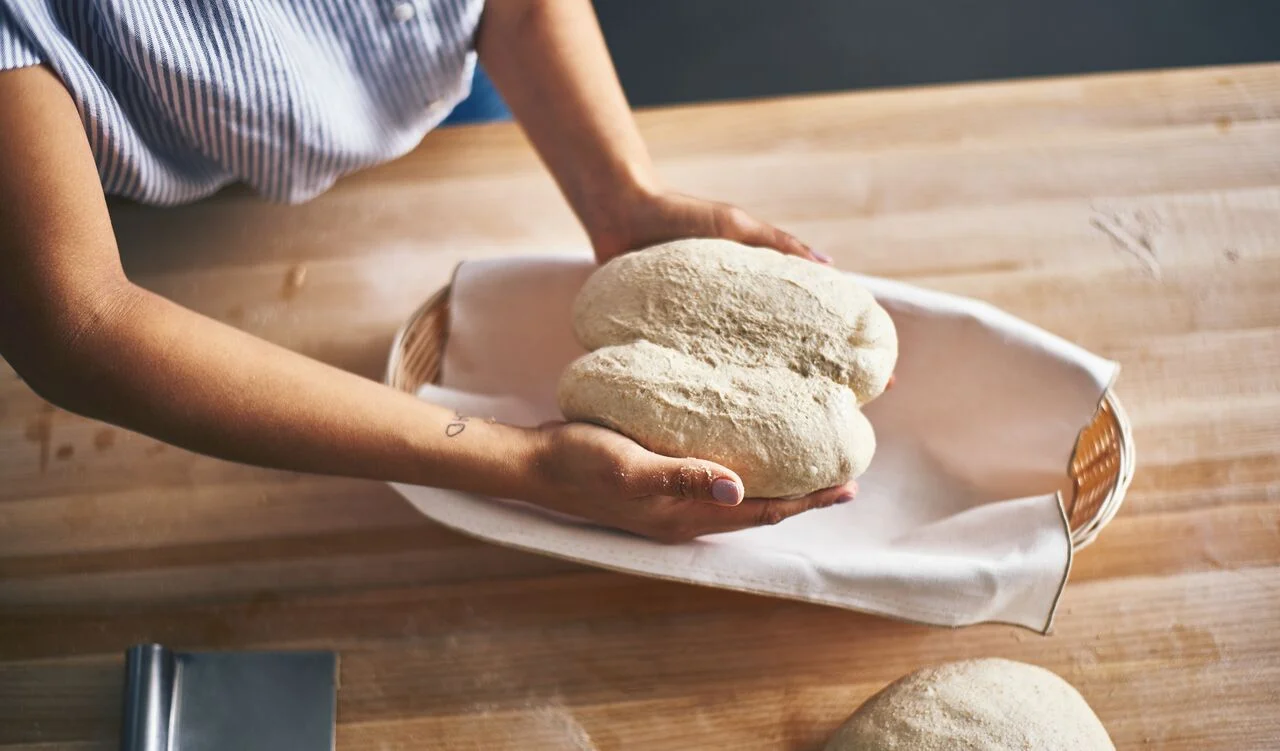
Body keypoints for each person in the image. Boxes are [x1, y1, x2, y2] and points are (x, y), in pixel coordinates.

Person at [0, 0, 856, 543]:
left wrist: (621, 196)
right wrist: (523, 465)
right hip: (151, 168)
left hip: (451, 77)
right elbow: (76, 323)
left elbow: (514, 10)